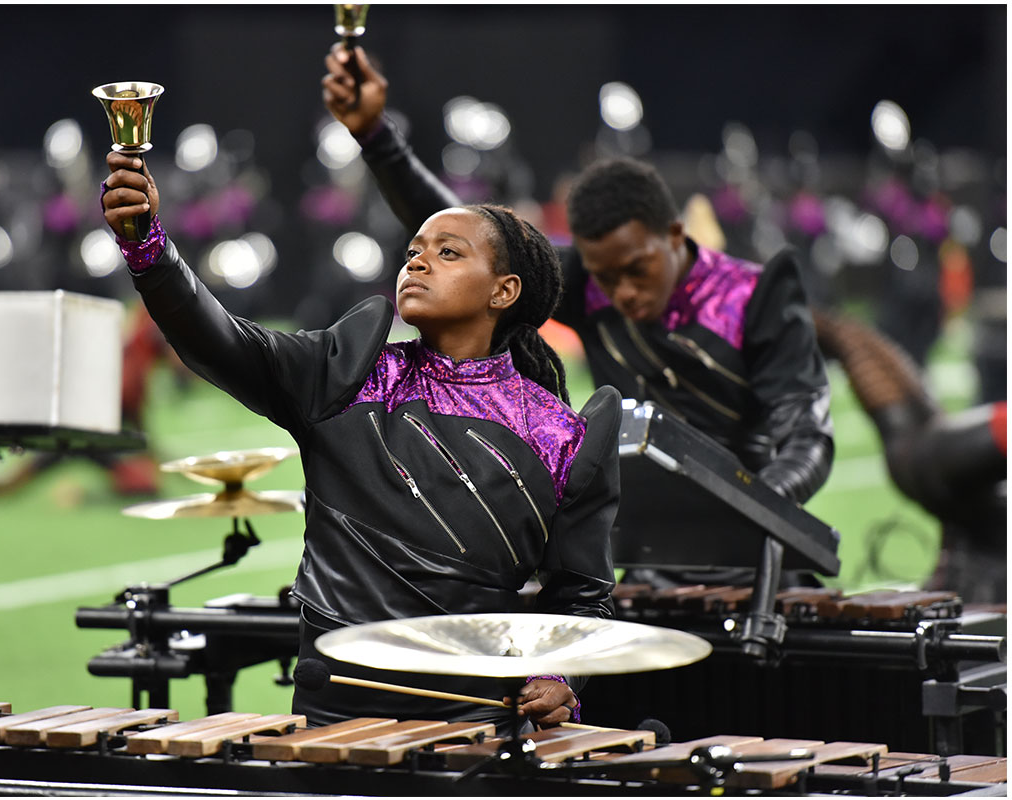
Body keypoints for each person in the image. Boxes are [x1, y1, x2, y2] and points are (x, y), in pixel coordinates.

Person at [101, 149, 623, 733]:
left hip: (475, 722)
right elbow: (219, 338)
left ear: (503, 292)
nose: (418, 264)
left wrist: (558, 677)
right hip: (335, 716)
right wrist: (149, 250)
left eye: (447, 253)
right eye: (414, 253)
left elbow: (581, 595)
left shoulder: (560, 435)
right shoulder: (342, 376)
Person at [322, 44, 834, 587]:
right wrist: (375, 137)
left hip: (752, 561)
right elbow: (467, 231)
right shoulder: (589, 287)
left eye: (638, 271)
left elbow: (806, 433)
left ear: (675, 236)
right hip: (642, 560)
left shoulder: (756, 294)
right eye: (607, 276)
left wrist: (754, 507)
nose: (623, 292)